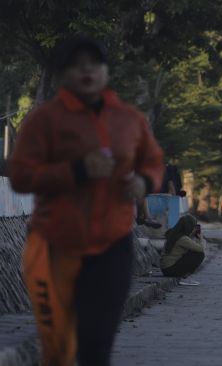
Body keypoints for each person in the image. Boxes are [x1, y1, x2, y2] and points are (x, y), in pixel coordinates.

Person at [8, 36, 164, 366]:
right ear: (64, 73)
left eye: (94, 63)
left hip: (113, 246)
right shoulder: (44, 120)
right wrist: (77, 169)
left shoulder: (129, 119)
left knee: (97, 344)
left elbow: (153, 161)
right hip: (54, 244)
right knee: (58, 348)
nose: (87, 70)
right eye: (77, 64)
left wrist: (143, 182)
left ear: (106, 71)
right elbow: (21, 176)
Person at [160, 215, 205, 285]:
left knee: (193, 251)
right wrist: (201, 239)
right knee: (200, 255)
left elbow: (188, 244)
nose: (194, 228)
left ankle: (183, 276)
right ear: (189, 226)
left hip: (165, 268)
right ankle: (184, 278)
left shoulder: (174, 233)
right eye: (193, 226)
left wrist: (192, 235)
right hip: (170, 269)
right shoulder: (183, 239)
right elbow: (201, 248)